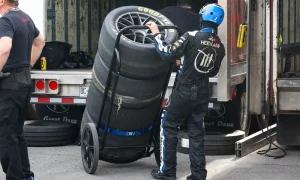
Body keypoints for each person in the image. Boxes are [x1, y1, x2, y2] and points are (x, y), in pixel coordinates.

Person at [146, 3, 226, 180]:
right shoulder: (220, 46)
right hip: (202, 94)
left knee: (168, 125)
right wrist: (185, 63)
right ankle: (198, 175)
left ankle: (167, 172)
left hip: (184, 91)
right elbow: (211, 71)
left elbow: (166, 53)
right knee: (196, 133)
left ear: (202, 18)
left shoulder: (191, 36)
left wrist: (156, 33)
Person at [0, 0, 45, 180]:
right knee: (17, 133)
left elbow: (4, 49)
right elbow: (40, 42)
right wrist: (28, 64)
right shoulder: (25, 17)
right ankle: (26, 176)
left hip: (10, 85)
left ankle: (15, 177)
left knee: (5, 135)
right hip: (24, 83)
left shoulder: (6, 21)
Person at [158, 0, 200, 72]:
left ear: (178, 4)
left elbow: (151, 15)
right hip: (193, 61)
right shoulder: (200, 17)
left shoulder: (170, 10)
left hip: (172, 57)